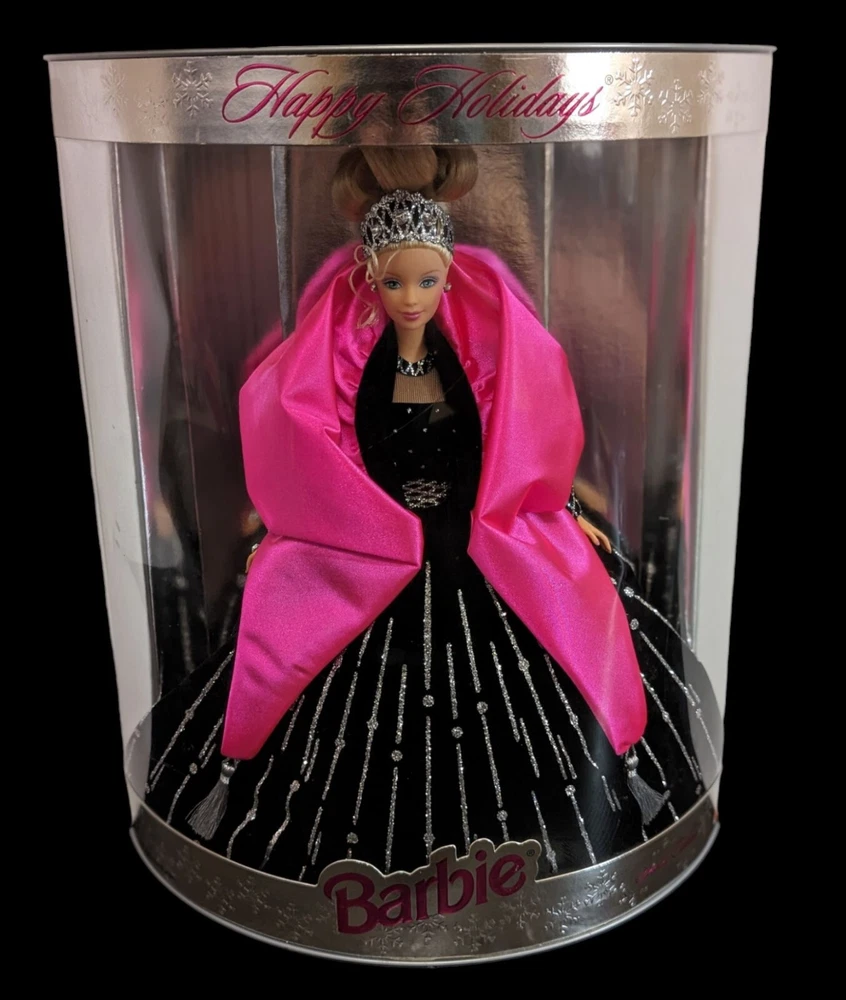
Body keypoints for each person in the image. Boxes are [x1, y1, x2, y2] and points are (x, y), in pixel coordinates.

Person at [137, 146, 720, 882]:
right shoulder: (355, 365)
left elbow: (517, 451)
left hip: (474, 548)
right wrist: (298, 530)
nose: (410, 299)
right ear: (372, 278)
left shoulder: (471, 361)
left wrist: (562, 507)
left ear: (447, 275)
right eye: (394, 282)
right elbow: (326, 462)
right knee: (315, 686)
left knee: (560, 659)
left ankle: (603, 801)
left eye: (426, 281)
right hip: (377, 557)